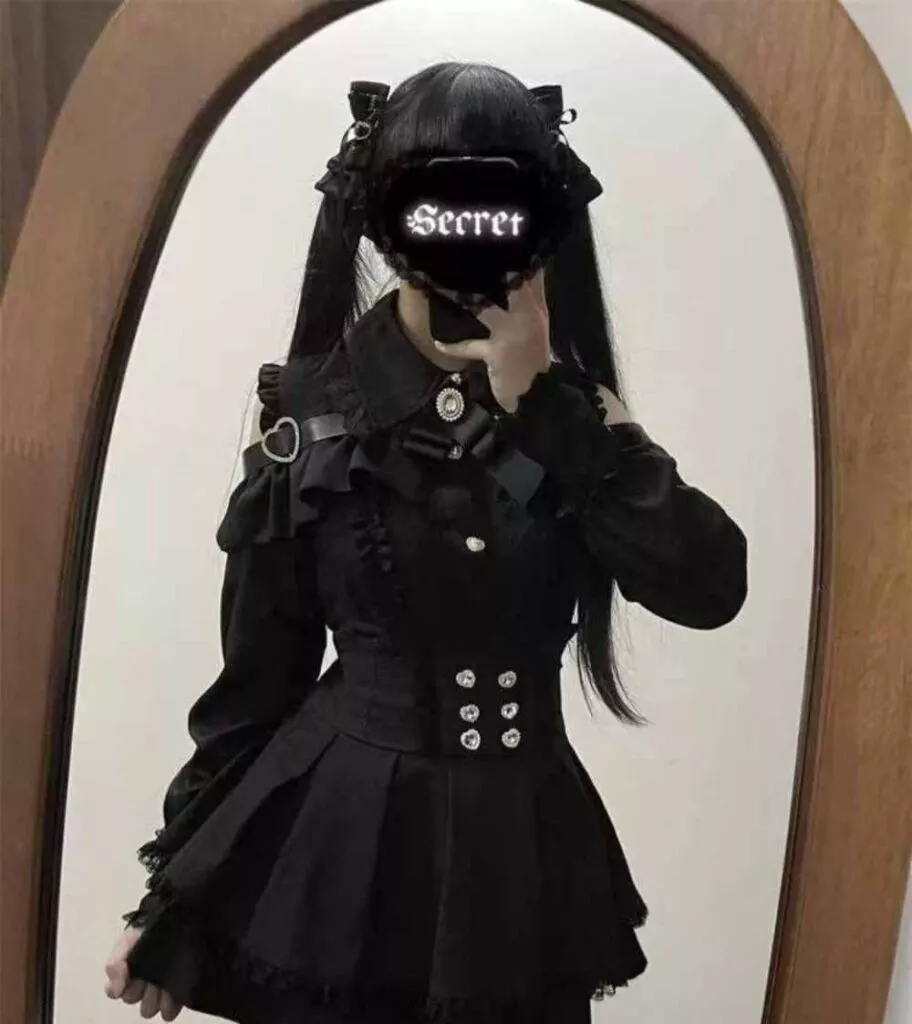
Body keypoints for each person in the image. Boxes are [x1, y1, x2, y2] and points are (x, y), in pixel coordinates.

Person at [104, 62, 748, 1023]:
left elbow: (710, 587)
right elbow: (257, 683)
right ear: (384, 224)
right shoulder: (312, 416)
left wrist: (546, 413)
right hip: (339, 858)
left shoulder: (582, 421)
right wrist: (170, 898)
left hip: (523, 864)